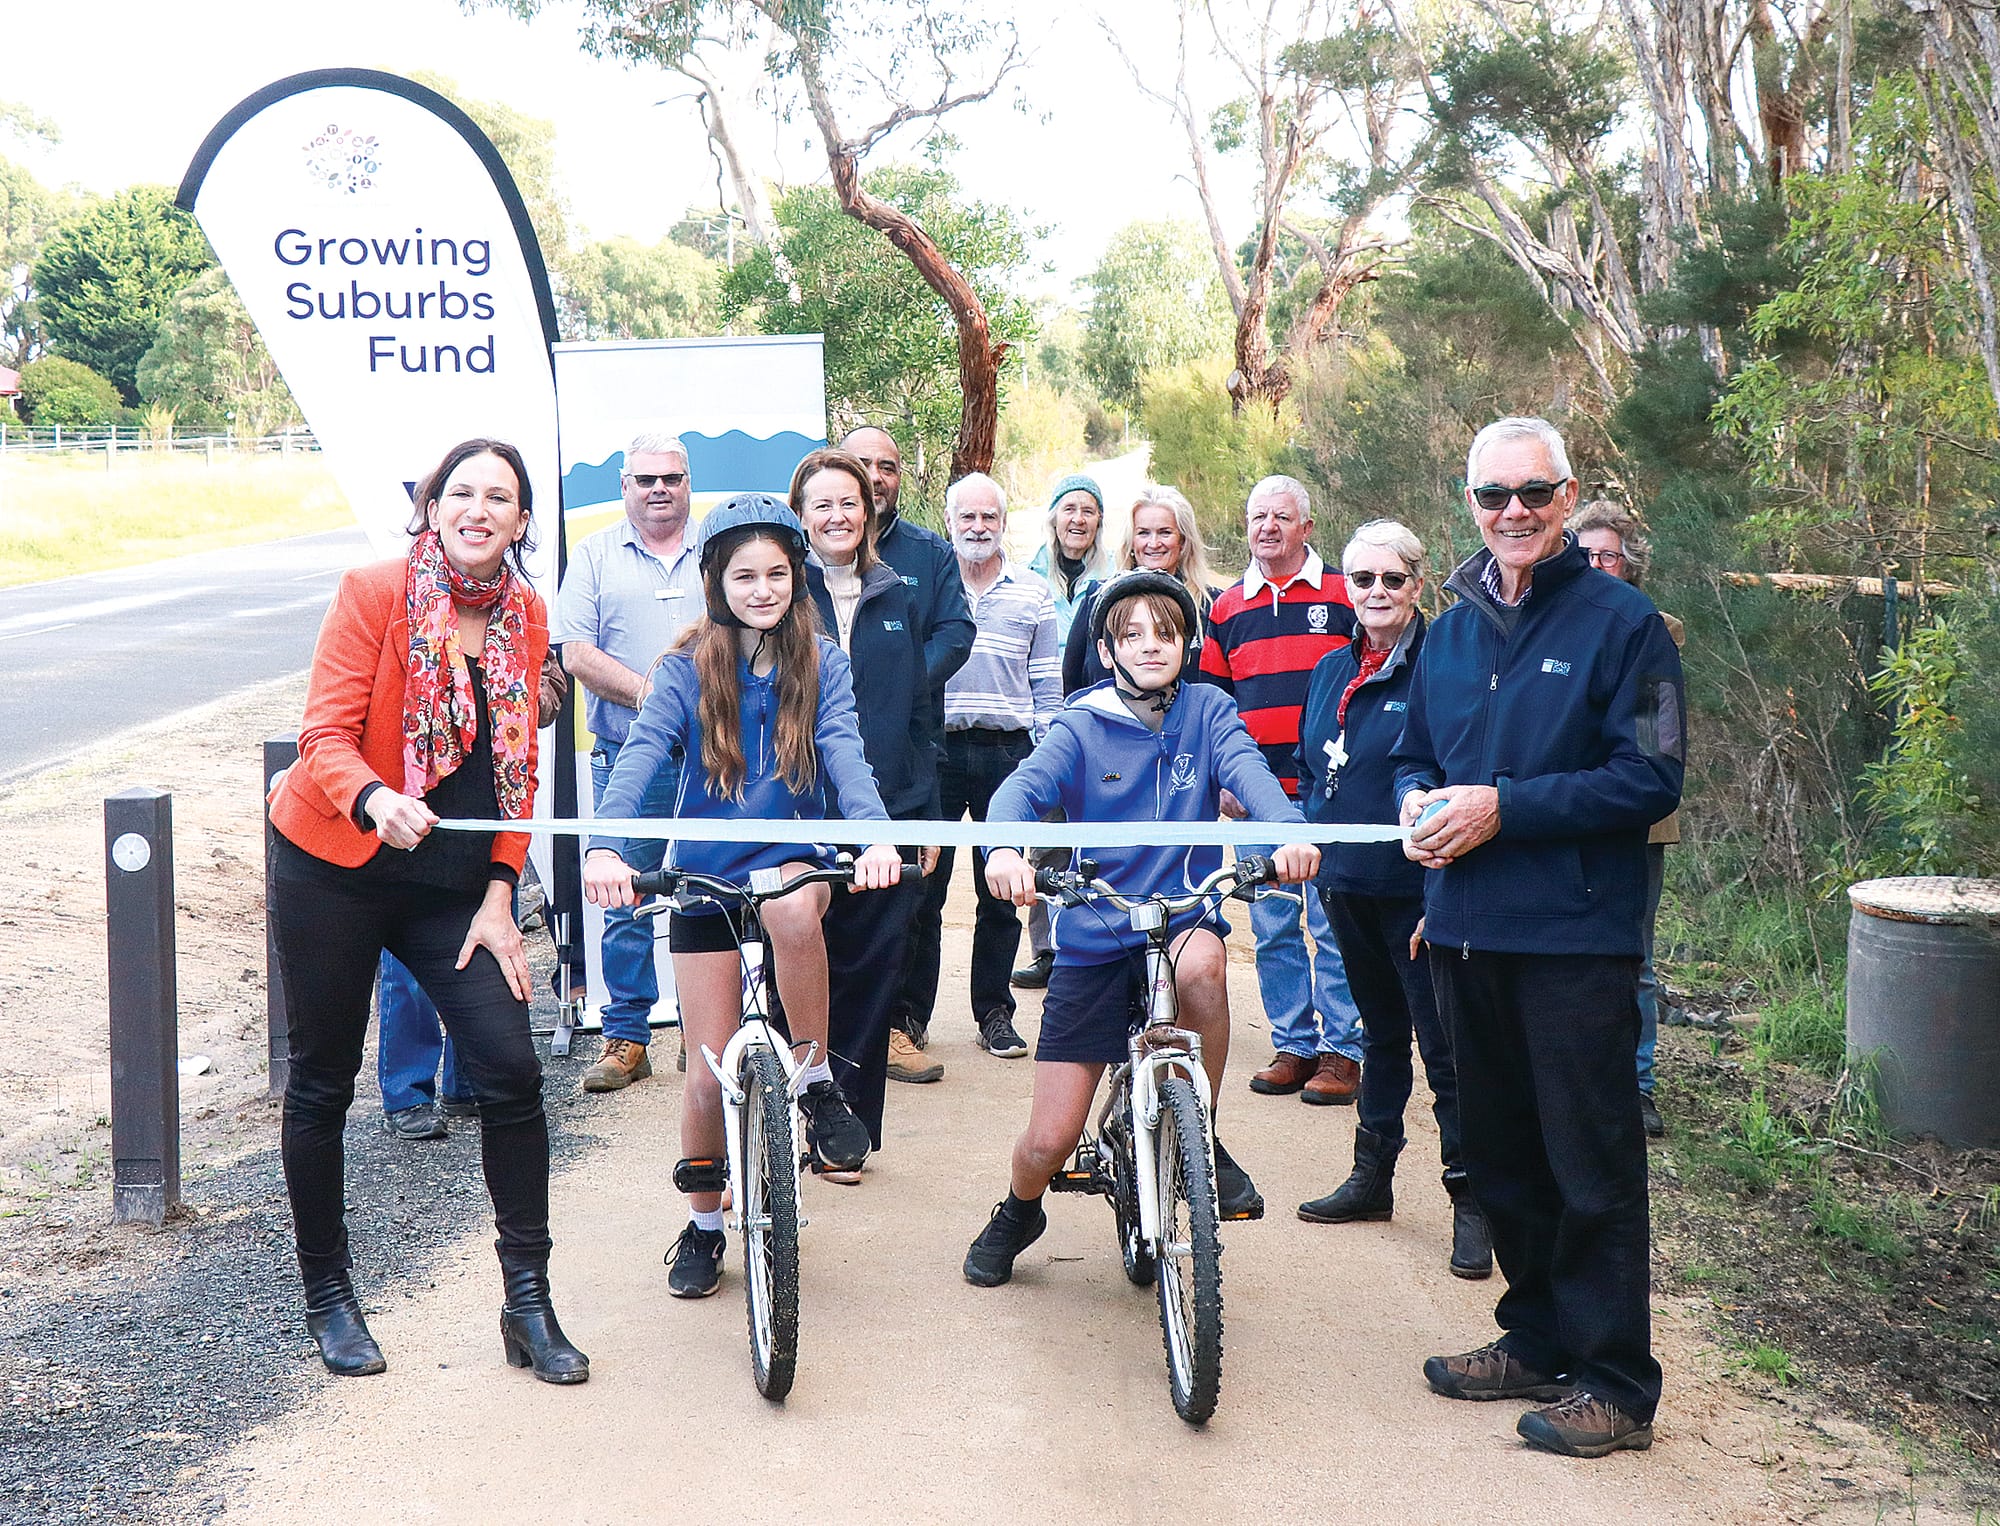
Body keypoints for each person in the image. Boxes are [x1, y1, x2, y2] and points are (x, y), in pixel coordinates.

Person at [266, 437, 587, 1385]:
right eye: (462, 492)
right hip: (334, 860)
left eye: (500, 496)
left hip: (450, 886)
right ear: (432, 504)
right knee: (323, 1082)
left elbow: (521, 769)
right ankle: (329, 1296)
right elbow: (321, 734)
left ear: (521, 520)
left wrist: (500, 895)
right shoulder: (373, 592)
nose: (478, 508)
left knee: (511, 1068)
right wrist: (372, 796)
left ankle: (527, 1305)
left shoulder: (526, 616)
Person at [1395, 416, 1684, 1459]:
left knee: (1587, 1159)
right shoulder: (1450, 623)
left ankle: (1613, 1380)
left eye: (1532, 492)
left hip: (1573, 936)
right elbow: (1414, 753)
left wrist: (1504, 807)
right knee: (1501, 1151)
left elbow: (1650, 777)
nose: (1511, 512)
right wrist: (1412, 803)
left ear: (1567, 498)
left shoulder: (1625, 624)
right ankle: (1536, 1336)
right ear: (1466, 502)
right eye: (1491, 495)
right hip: (1467, 928)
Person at [582, 497, 902, 1298]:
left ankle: (816, 1076)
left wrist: (875, 837)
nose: (762, 589)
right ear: (715, 582)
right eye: (744, 576)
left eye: (777, 575)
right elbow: (640, 760)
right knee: (703, 1075)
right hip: (704, 869)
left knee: (795, 908)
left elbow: (847, 758)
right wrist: (605, 846)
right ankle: (702, 1226)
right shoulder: (684, 668)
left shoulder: (822, 663)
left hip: (791, 856)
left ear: (797, 580)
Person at [963, 571, 1320, 1285]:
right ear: (1105, 647)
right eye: (1132, 634)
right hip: (1098, 931)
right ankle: (1018, 1209)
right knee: (1049, 1139)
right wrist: (1003, 848)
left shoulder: (1210, 711)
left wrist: (1288, 836)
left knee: (1204, 969)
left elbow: (1253, 780)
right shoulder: (1080, 721)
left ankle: (1201, 1135)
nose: (1151, 646)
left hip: (1183, 915)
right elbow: (1021, 790)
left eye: (1167, 631)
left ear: (1188, 643)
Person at [1292, 520, 1492, 1279]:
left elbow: (1456, 771)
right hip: (1347, 885)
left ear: (1418, 583)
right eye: (1363, 580)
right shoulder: (1329, 669)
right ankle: (1372, 1179)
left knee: (1445, 1051)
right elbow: (1316, 772)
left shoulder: (1443, 664)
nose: (1376, 593)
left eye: (1392, 580)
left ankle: (1472, 1203)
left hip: (1420, 890)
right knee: (1379, 1037)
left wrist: (1440, 893)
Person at [1199, 476, 1365, 1105]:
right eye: (1257, 516)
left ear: (1307, 528)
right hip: (1254, 796)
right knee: (1270, 924)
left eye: (1280, 516)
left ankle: (1342, 1050)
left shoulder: (1345, 594)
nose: (1267, 527)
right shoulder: (1227, 606)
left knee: (1328, 924)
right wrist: (1222, 777)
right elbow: (1214, 702)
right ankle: (1293, 1043)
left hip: (1328, 796)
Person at [795, 448, 937, 1170]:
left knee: (875, 969)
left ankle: (848, 1134)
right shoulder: (781, 596)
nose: (837, 516)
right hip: (803, 818)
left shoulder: (895, 593)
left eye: (848, 502)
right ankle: (796, 1111)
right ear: (800, 517)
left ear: (870, 509)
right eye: (822, 504)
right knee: (807, 961)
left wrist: (925, 817)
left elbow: (919, 714)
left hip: (893, 816)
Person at [553, 430, 704, 1094]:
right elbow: (576, 655)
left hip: (713, 759)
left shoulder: (720, 550)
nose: (660, 489)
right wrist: (655, 697)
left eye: (671, 477)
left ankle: (705, 1035)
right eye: (646, 480)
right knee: (627, 900)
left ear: (688, 481)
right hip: (627, 758)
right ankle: (627, 1038)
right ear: (624, 486)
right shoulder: (591, 556)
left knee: (710, 896)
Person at [896, 472, 1062, 1064]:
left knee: (1002, 892)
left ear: (1004, 524)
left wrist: (1048, 755)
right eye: (967, 517)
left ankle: (994, 1014)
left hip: (1008, 755)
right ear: (949, 522)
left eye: (989, 517)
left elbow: (1047, 682)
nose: (978, 527)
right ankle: (910, 1017)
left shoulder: (1033, 591)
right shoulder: (924, 588)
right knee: (923, 892)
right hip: (935, 756)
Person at [375, 662, 569, 1141]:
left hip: (489, 806)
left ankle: (468, 1084)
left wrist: (530, 698)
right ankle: (408, 1092)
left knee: (485, 945)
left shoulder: (515, 599)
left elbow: (550, 684)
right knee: (408, 967)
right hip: (412, 803)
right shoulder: (397, 595)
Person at [838, 425, 975, 1084]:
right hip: (821, 761)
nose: (875, 475)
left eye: (886, 466)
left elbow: (957, 630)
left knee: (915, 895)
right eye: (861, 464)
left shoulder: (929, 553)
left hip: (911, 753)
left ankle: (902, 1026)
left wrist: (898, 679)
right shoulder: (805, 557)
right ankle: (830, 1029)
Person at [1572, 500, 1682, 1140]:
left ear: (1629, 565)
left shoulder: (1653, 631)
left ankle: (1636, 1086)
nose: (1595, 566)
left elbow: (1653, 743)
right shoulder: (1553, 624)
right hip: (1564, 825)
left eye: (1607, 554)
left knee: (1633, 957)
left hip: (1636, 829)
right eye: (1584, 554)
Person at [1014, 473, 1113, 991]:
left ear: (1100, 521)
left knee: (1097, 839)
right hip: (1044, 730)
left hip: (1103, 728)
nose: (1078, 519)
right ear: (1053, 516)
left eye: (1089, 511)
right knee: (1049, 841)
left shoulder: (1114, 578)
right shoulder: (1026, 577)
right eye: (1069, 508)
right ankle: (1047, 948)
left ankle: (1099, 939)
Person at [1060, 483, 1219, 697]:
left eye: (1165, 533)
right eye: (1143, 533)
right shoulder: (1098, 599)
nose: (1153, 543)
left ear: (1183, 541)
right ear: (1131, 541)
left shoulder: (1210, 606)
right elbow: (1071, 682)